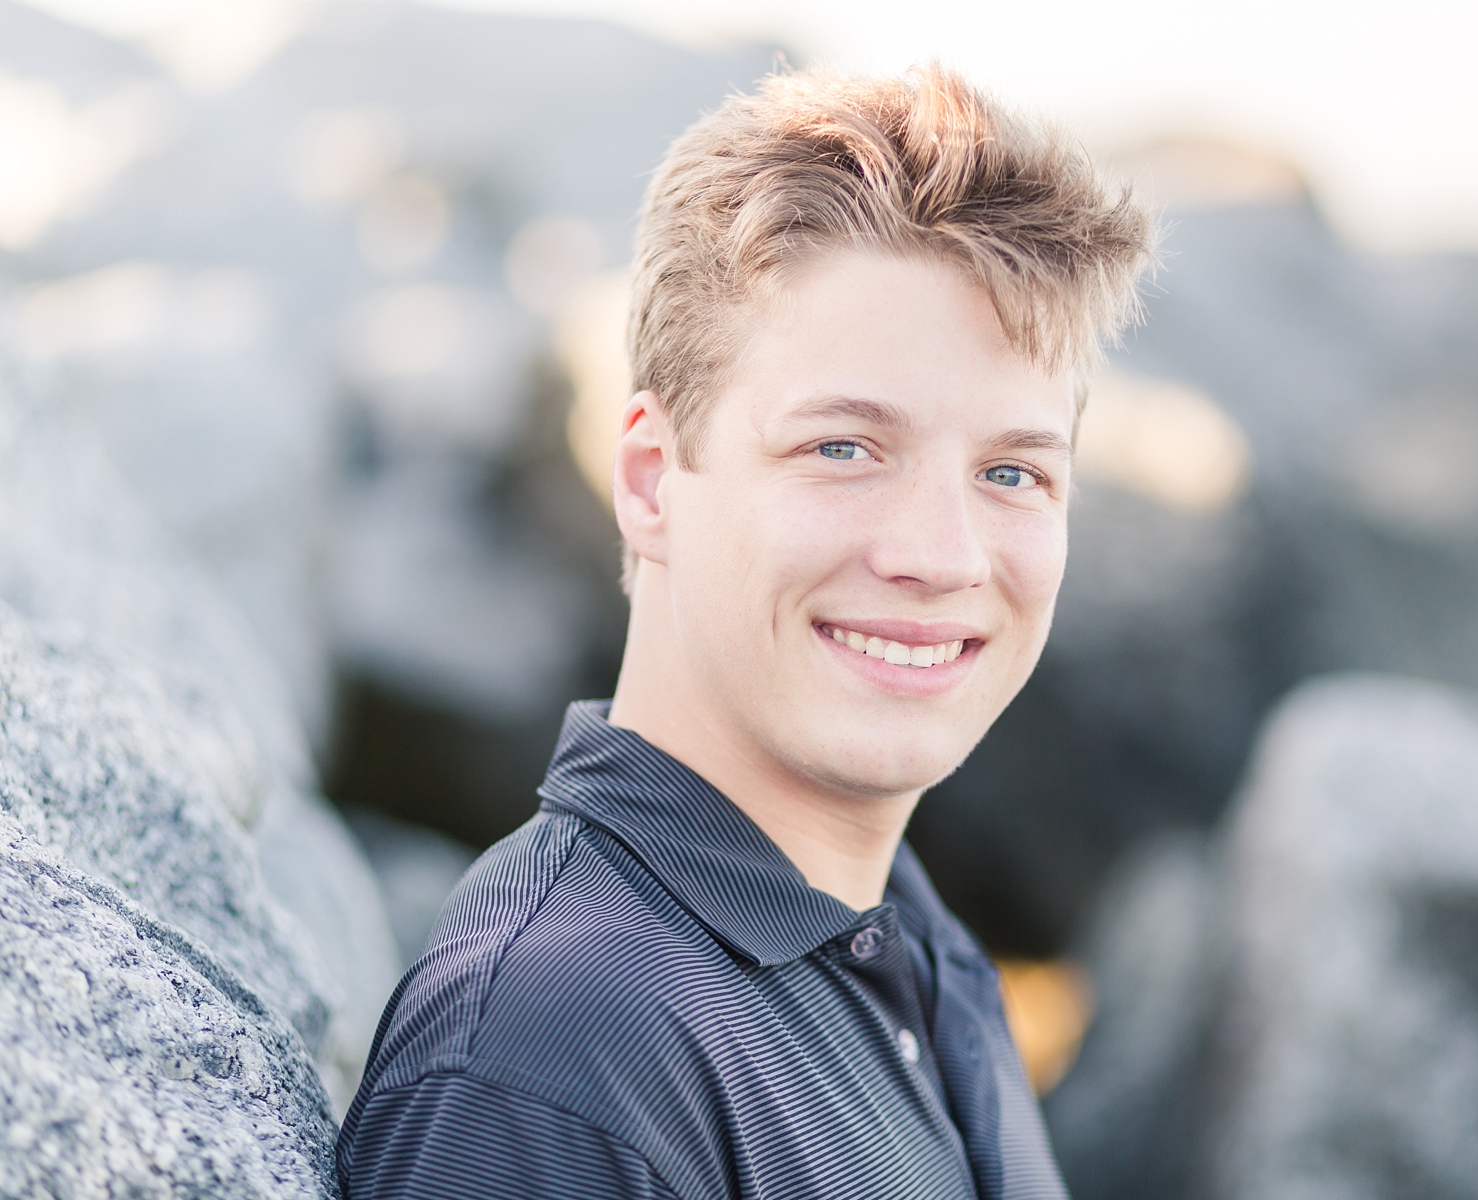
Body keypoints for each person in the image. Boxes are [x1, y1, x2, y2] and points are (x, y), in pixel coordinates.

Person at [335, 64, 1154, 1199]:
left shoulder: (915, 945)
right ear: (651, 477)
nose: (945, 554)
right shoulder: (555, 1058)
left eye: (1012, 472)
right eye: (843, 448)